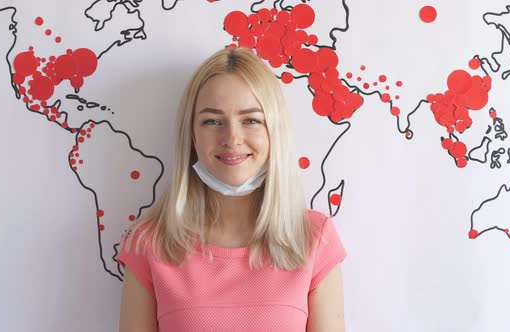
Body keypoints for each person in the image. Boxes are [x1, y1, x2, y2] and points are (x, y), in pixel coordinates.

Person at [117, 46, 347, 332]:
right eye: (212, 121)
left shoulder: (314, 238)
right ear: (191, 135)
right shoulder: (149, 242)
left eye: (251, 120)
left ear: (273, 130)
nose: (232, 138)